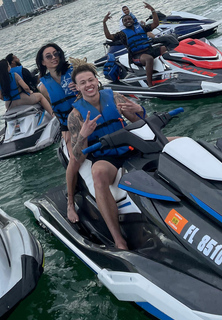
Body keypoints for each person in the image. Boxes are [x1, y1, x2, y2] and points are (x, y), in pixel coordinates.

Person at [67, 59, 146, 250]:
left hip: (128, 145)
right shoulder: (75, 116)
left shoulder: (114, 97)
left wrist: (139, 110)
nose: (88, 85)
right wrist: (83, 135)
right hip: (105, 156)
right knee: (98, 174)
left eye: (90, 80)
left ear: (97, 80)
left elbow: (140, 121)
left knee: (173, 142)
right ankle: (118, 239)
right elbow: (77, 156)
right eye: (83, 82)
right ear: (77, 87)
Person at [35, 43, 80, 223]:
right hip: (67, 126)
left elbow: (94, 88)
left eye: (56, 54)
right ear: (42, 62)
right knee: (74, 159)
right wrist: (64, 128)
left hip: (86, 117)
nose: (54, 57)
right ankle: (70, 203)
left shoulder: (74, 72)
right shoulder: (42, 87)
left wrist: (81, 90)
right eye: (49, 56)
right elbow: (52, 110)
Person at [103, 2, 165, 87]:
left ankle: (168, 70)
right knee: (149, 59)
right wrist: (104, 23)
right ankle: (150, 83)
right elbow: (109, 36)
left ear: (133, 20)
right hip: (137, 56)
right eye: (125, 20)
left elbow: (155, 24)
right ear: (123, 23)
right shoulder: (122, 34)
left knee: (164, 48)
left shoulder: (141, 28)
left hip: (149, 50)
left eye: (129, 19)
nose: (128, 21)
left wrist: (153, 11)